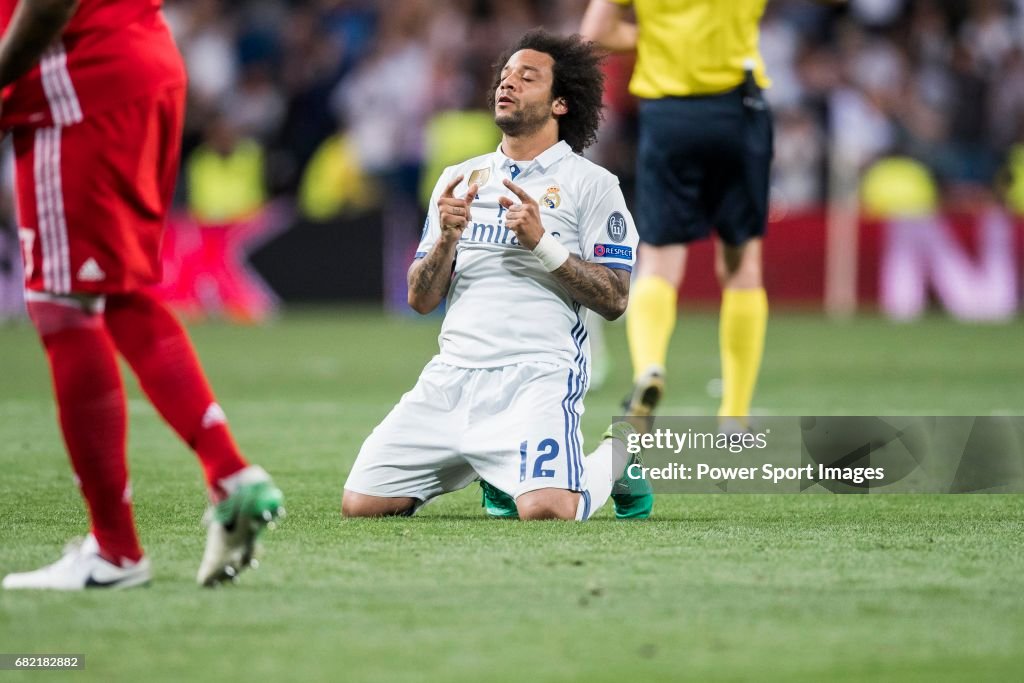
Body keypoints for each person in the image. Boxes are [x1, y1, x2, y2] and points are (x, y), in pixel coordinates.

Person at [0, 0, 282, 590]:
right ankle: (230, 475)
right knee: (120, 292)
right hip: (136, 63)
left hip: (76, 77)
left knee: (61, 303)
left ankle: (115, 551)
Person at [342, 30, 652, 522]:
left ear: (561, 104)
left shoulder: (592, 185)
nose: (507, 85)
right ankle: (496, 471)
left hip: (538, 376)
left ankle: (620, 454)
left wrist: (542, 244)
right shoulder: (458, 179)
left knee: (549, 511)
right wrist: (444, 240)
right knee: (362, 505)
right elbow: (421, 301)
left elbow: (615, 298)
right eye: (505, 76)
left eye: (527, 78)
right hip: (452, 376)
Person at [581, 0, 775, 430]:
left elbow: (596, 30)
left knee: (659, 259)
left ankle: (648, 368)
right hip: (737, 108)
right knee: (742, 264)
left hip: (668, 113)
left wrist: (660, 36)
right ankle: (735, 414)